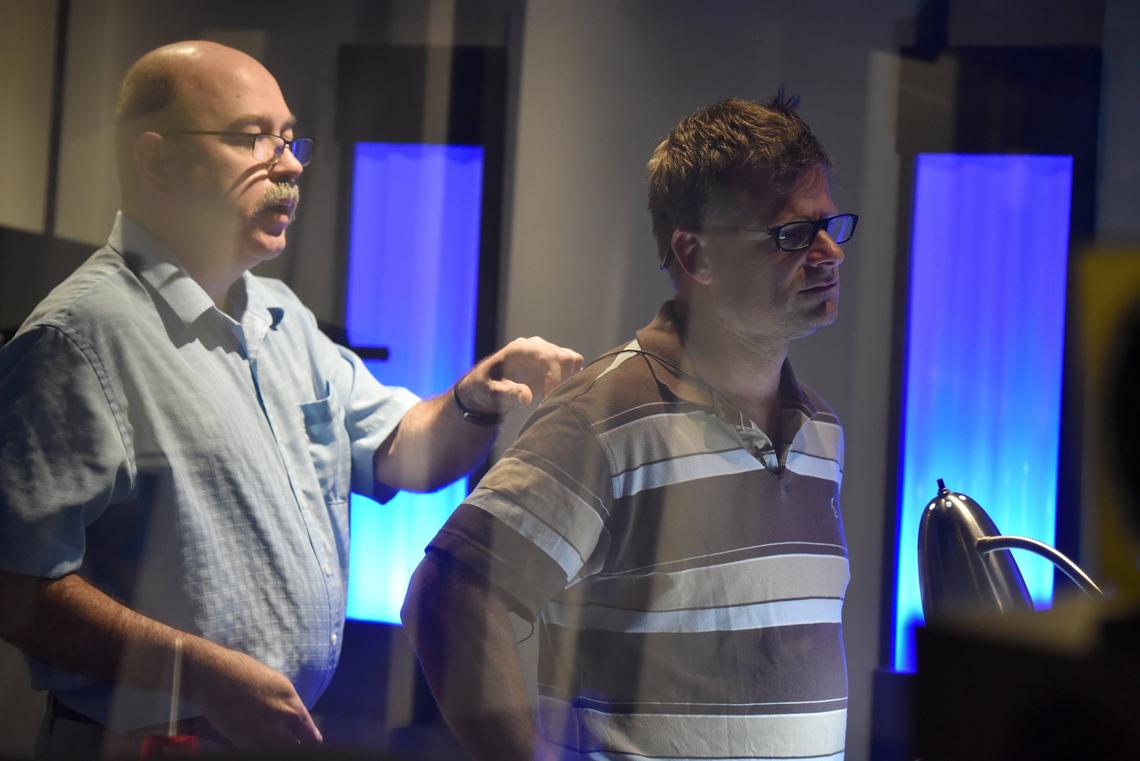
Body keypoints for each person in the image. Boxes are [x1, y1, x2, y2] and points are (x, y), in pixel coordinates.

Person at [0, 40, 582, 756]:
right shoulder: (80, 338)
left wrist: (474, 396)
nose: (291, 163)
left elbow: (404, 451)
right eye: (252, 138)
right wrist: (201, 674)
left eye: (288, 138)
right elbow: (17, 584)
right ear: (156, 160)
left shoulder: (280, 318)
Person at [402, 95, 855, 760]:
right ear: (695, 255)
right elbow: (447, 599)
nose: (829, 253)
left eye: (829, 225)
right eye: (791, 234)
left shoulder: (821, 430)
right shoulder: (605, 414)